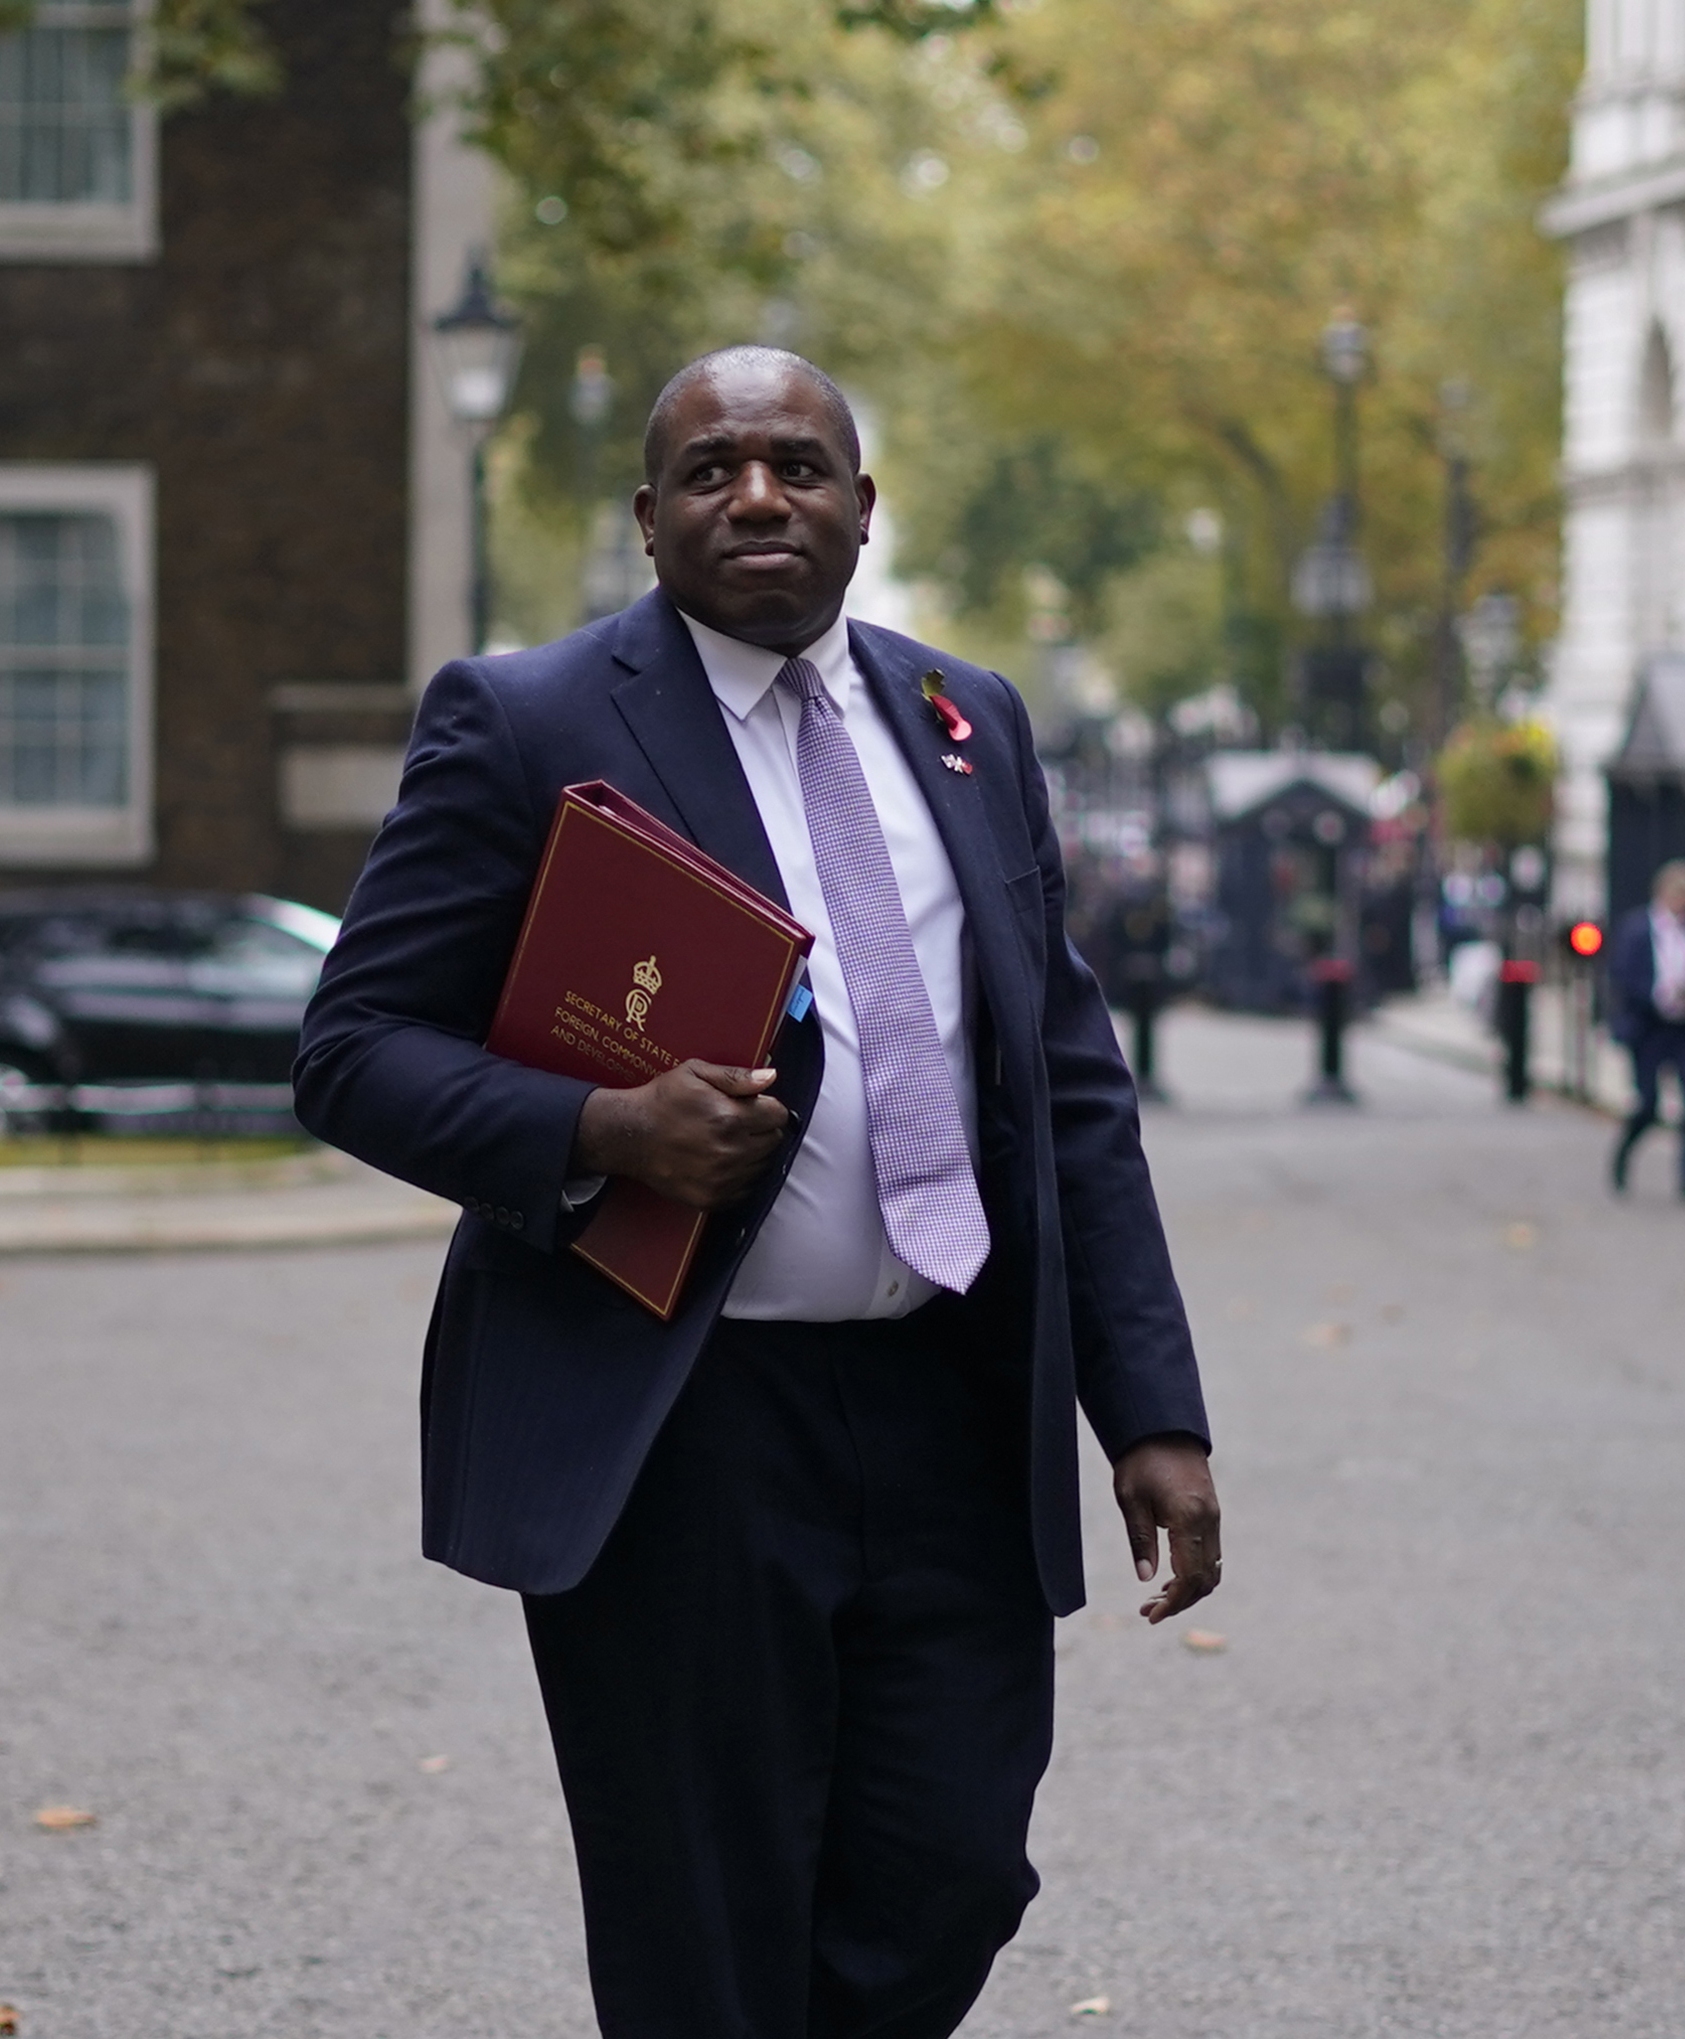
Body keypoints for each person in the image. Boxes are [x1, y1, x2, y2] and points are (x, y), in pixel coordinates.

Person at [294, 346, 1219, 2037]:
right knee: (702, 1913)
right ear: (650, 517)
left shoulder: (969, 721)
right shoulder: (526, 720)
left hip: (948, 1402)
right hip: (682, 1426)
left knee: (952, 1863)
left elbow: (1065, 1082)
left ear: (863, 507)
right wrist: (600, 1127)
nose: (757, 495)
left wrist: (1147, 1404)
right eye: (711, 469)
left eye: (796, 464)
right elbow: (353, 1048)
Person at [1607, 858, 1685, 1200]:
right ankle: (1624, 1153)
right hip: (1650, 1028)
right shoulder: (1638, 930)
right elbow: (1624, 977)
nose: (1683, 904)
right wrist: (1660, 995)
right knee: (1648, 1105)